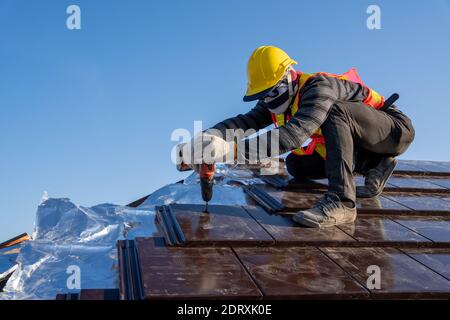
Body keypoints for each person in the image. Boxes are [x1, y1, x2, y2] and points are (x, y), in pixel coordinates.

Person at [177, 46, 415, 228]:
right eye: (264, 96)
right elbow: (245, 123)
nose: (269, 100)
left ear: (288, 77)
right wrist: (207, 137)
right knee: (296, 165)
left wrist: (230, 152)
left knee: (336, 111)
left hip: (393, 132)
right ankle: (374, 164)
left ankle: (342, 202)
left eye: (273, 92)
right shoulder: (273, 102)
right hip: (366, 145)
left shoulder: (318, 88)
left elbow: (292, 135)